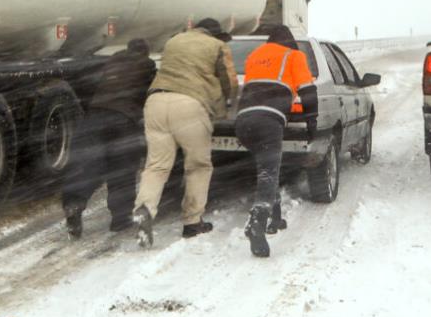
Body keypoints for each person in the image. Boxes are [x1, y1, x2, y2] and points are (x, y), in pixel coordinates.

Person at [131, 18, 237, 247]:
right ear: (216, 34)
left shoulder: (175, 40)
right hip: (190, 104)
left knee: (156, 165)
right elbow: (229, 80)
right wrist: (228, 104)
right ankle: (192, 222)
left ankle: (144, 208)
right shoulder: (217, 46)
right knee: (198, 165)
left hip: (156, 102)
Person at [235, 25, 317, 258]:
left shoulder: (255, 55)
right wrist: (312, 122)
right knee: (268, 172)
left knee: (268, 167)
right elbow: (308, 91)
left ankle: (275, 217)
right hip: (268, 120)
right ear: (289, 42)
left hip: (243, 121)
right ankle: (257, 222)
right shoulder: (294, 56)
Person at [61, 38, 157, 238]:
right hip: (123, 120)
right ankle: (120, 220)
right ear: (145, 52)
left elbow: (92, 86)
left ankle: (74, 204)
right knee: (122, 169)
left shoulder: (111, 62)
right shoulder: (147, 65)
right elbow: (149, 93)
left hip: (95, 116)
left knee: (88, 165)